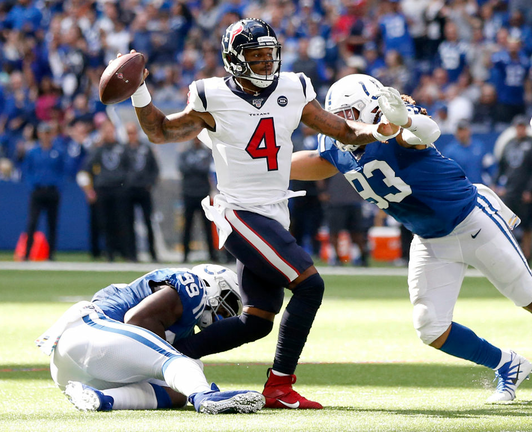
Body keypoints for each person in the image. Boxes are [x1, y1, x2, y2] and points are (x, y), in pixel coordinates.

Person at [117, 18, 407, 409]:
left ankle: (169, 356)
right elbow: (161, 132)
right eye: (256, 56)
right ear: (234, 60)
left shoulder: (293, 86)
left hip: (274, 213)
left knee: (256, 320)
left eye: (270, 55)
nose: (266, 63)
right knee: (310, 286)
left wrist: (380, 131)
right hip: (239, 212)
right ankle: (280, 387)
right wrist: (139, 90)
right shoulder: (211, 95)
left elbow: (345, 131)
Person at [289, 73, 532, 403]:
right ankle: (509, 365)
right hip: (429, 238)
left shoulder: (393, 124)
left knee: (531, 298)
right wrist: (267, 165)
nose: (340, 123)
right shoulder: (337, 145)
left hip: (471, 221)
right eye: (337, 116)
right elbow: (320, 162)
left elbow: (424, 133)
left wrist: (403, 119)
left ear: (369, 108)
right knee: (430, 326)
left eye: (347, 114)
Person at [36, 264, 265, 414]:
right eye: (227, 304)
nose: (224, 314)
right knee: (182, 364)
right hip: (90, 333)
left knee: (177, 393)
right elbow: (137, 320)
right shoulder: (193, 287)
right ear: (213, 285)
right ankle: (205, 397)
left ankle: (102, 398)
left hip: (73, 372)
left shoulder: (184, 324)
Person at [78, 118, 134, 262]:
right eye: (106, 130)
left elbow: (130, 168)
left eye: (111, 130)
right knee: (105, 223)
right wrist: (89, 190)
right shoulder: (98, 150)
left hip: (120, 189)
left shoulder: (123, 148)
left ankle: (127, 253)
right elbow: (85, 170)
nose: (109, 133)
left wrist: (126, 184)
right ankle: (109, 253)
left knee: (123, 222)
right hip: (103, 189)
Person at [494, 115, 532, 262]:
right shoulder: (509, 144)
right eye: (518, 127)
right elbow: (502, 167)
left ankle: (527, 255)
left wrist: (530, 189)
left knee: (527, 225)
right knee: (508, 224)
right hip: (510, 190)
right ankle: (511, 256)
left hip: (525, 191)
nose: (520, 129)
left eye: (522, 126)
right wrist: (496, 184)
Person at [21, 122, 65, 261]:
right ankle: (27, 254)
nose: (46, 136)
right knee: (32, 222)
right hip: (38, 190)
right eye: (43, 133)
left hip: (52, 191)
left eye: (48, 133)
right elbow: (27, 170)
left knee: (52, 223)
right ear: (39, 134)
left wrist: (58, 185)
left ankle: (51, 255)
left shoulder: (57, 152)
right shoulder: (33, 152)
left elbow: (62, 171)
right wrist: (32, 185)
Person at [124, 121, 160, 263]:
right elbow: (120, 169)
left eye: (133, 132)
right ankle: (132, 254)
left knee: (148, 222)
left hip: (144, 190)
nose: (131, 135)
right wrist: (125, 184)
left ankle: (153, 253)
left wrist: (150, 183)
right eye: (129, 133)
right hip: (129, 191)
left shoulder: (146, 148)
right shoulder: (123, 150)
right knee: (129, 223)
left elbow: (155, 168)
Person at [179, 137, 217, 263]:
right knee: (187, 226)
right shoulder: (185, 153)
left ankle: (212, 254)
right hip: (188, 193)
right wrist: (197, 166)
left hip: (203, 194)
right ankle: (185, 255)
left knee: (207, 226)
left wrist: (193, 167)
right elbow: (183, 169)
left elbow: (206, 169)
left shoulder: (206, 153)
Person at [324, 173, 369, 266]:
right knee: (334, 232)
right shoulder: (331, 164)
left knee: (357, 233)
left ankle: (362, 257)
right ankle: (336, 257)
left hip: (354, 201)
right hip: (336, 201)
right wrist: (323, 191)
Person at [438, 120, 496, 186]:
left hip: (479, 187)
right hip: (461, 189)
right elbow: (446, 174)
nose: (462, 134)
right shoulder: (450, 151)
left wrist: (494, 184)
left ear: (469, 131)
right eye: (460, 131)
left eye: (464, 130)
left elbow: (490, 167)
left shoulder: (479, 147)